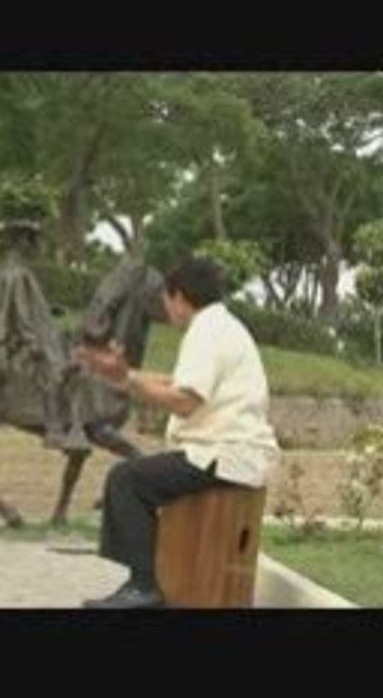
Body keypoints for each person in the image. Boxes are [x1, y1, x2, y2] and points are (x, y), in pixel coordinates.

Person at [76, 257, 279, 608]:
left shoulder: (205, 331)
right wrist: (125, 375)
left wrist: (126, 379)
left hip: (223, 457)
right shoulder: (223, 326)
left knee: (126, 480)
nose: (164, 308)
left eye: (165, 299)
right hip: (236, 455)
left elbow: (184, 401)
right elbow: (176, 382)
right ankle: (148, 581)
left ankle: (143, 586)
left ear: (179, 296)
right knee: (140, 476)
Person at [0, 216, 89, 452]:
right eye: (32, 241)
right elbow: (20, 311)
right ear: (22, 241)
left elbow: (28, 305)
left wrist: (49, 309)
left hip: (39, 331)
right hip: (25, 336)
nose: (36, 246)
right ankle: (53, 428)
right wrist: (31, 340)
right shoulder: (16, 272)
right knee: (57, 369)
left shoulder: (18, 270)